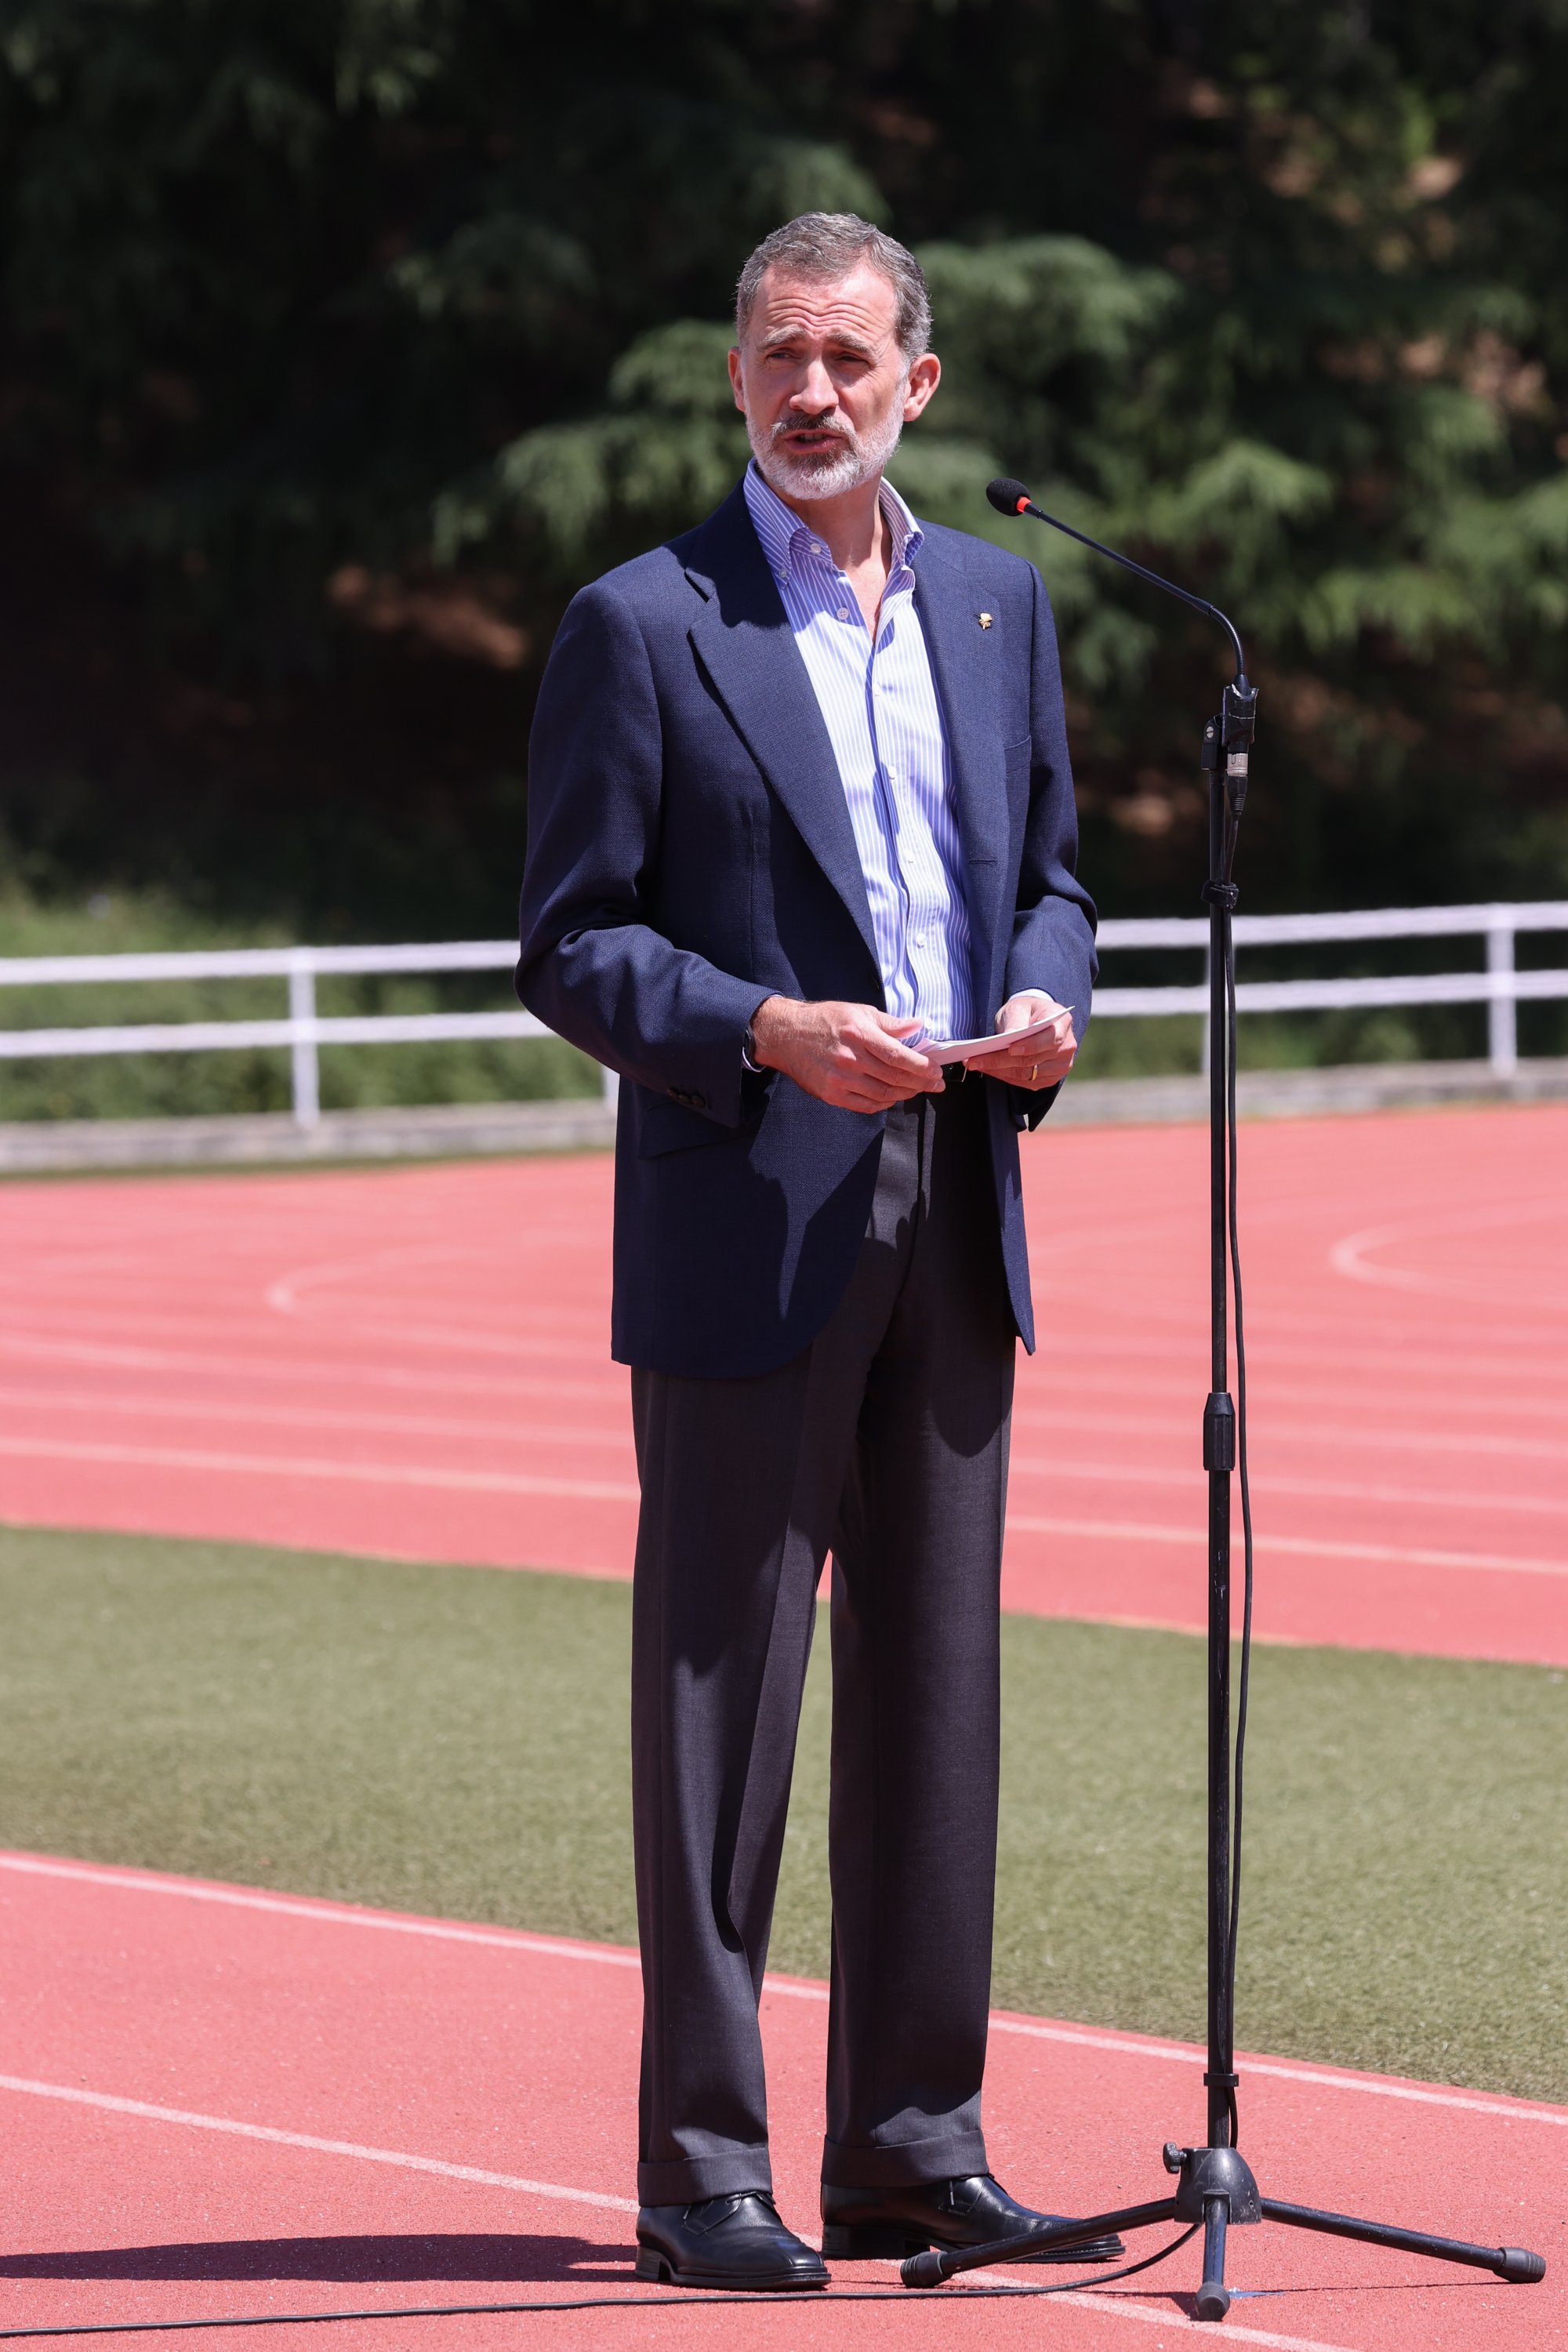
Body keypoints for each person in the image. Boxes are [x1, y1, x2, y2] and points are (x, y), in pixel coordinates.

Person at [517, 211, 1113, 2292]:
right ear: (735, 380)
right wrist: (765, 1030)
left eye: (851, 358)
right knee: (724, 1713)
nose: (813, 393)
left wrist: (1050, 1006)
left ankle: (908, 2148)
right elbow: (572, 943)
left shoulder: (1000, 608)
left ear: (917, 384)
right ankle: (703, 2173)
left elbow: (1049, 880)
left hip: (955, 1203)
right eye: (779, 357)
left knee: (938, 1709)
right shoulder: (644, 622)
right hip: (742, 1217)